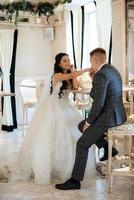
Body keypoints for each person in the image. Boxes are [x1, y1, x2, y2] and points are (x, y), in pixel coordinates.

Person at [0, 53, 90, 185]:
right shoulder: (57, 75)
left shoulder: (69, 75)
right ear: (59, 64)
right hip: (53, 107)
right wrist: (85, 70)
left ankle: (67, 167)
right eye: (64, 61)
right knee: (50, 137)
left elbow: (75, 87)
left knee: (72, 132)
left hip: (65, 106)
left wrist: (72, 71)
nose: (67, 62)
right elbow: (70, 76)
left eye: (68, 60)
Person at [55, 47, 127, 190]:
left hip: (108, 116)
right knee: (80, 125)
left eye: (90, 61)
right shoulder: (112, 70)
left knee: (82, 143)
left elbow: (98, 102)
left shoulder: (101, 75)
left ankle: (75, 181)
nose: (90, 63)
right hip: (118, 114)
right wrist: (93, 78)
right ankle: (107, 148)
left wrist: (89, 122)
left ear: (94, 60)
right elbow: (101, 94)